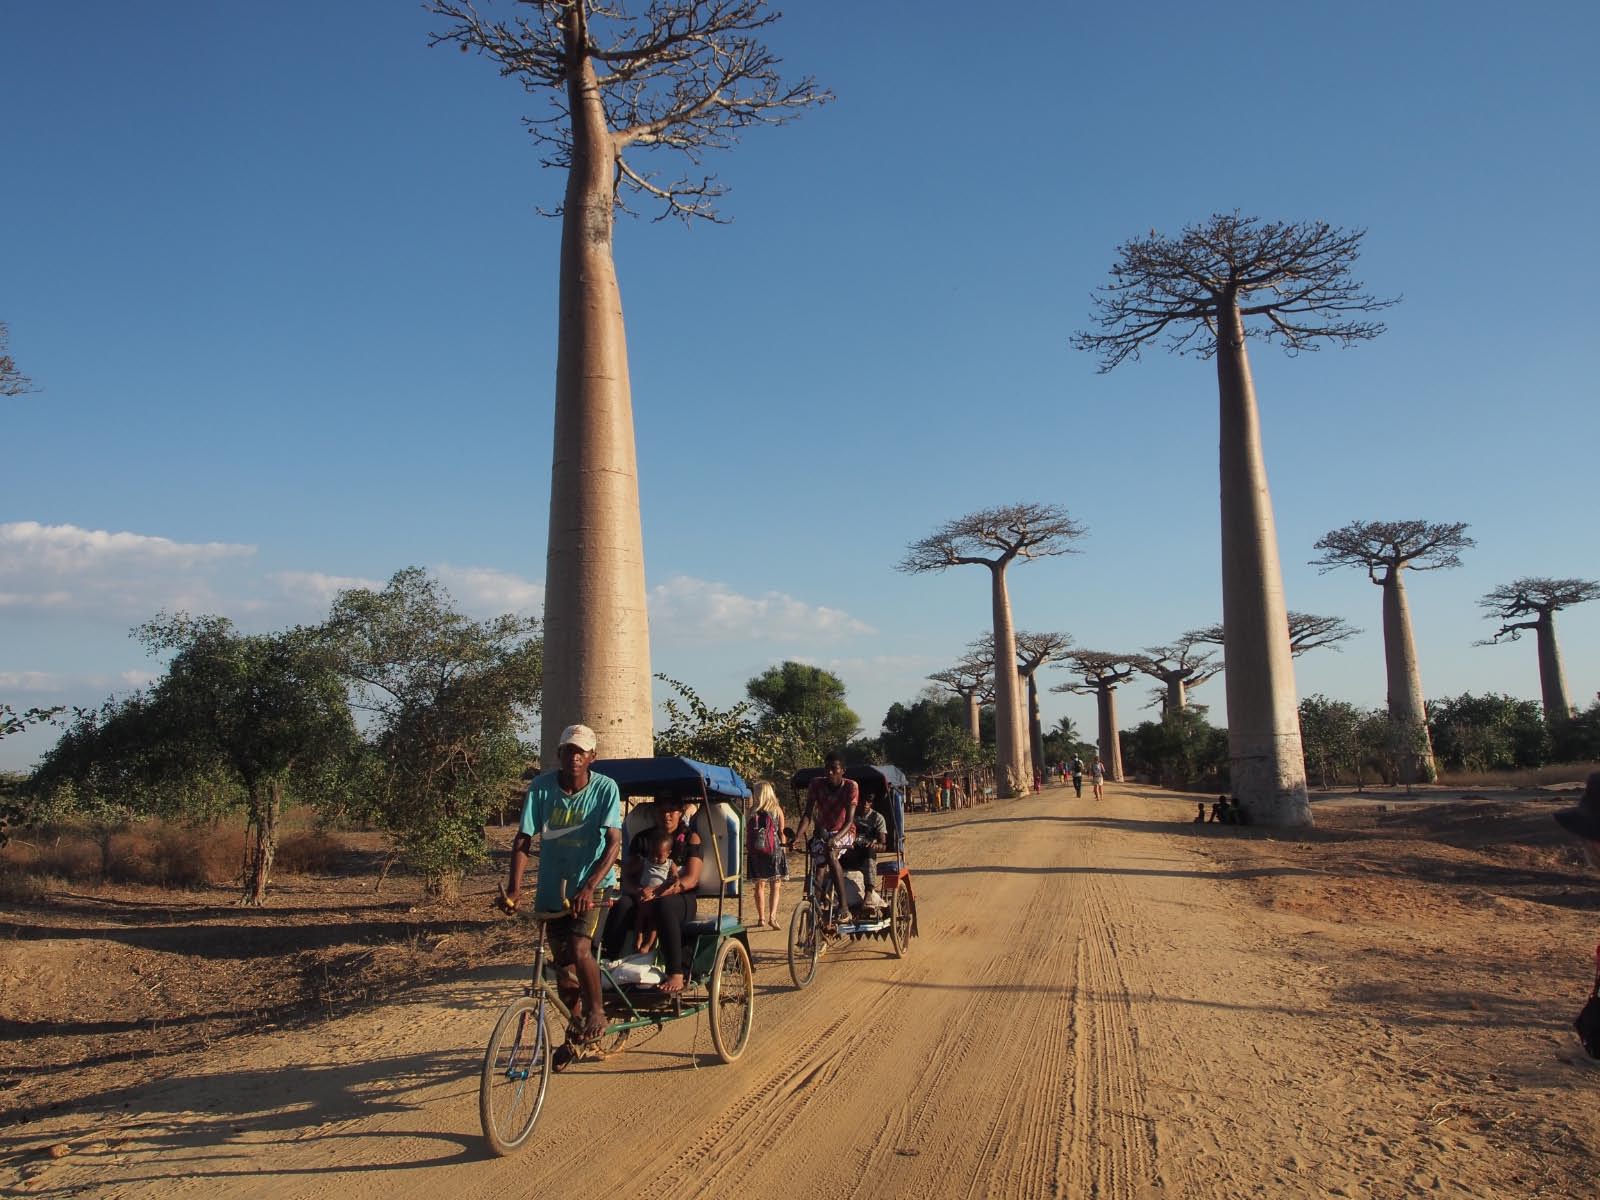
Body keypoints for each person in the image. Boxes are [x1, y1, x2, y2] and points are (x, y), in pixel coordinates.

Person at [499, 723, 621, 1052]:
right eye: (568, 750)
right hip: (552, 891)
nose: (574, 757)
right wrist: (514, 889)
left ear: (592, 757)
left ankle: (597, 1012)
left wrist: (590, 886)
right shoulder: (540, 789)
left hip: (592, 889)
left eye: (580, 751)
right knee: (563, 968)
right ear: (559, 754)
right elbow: (523, 839)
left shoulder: (606, 789)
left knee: (580, 950)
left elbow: (613, 843)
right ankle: (576, 1025)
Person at [604, 794, 704, 995]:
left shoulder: (690, 838)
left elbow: (691, 878)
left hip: (680, 898)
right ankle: (608, 962)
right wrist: (637, 890)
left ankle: (676, 972)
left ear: (681, 812)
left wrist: (660, 892)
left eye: (672, 810)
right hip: (643, 895)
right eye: (662, 810)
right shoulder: (642, 839)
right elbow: (627, 877)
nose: (666, 815)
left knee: (663, 905)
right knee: (622, 904)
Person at [800, 752, 857, 923]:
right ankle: (814, 915)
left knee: (831, 854)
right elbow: (807, 815)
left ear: (842, 771)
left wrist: (836, 838)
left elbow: (849, 821)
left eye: (834, 769)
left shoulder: (850, 786)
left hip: (845, 832)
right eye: (827, 769)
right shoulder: (816, 784)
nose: (830, 772)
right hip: (823, 833)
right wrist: (796, 836)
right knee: (818, 868)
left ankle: (844, 907)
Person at [746, 780, 787, 931]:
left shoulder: (751, 811)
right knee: (775, 884)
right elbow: (782, 832)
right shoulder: (776, 810)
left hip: (756, 851)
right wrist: (783, 849)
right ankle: (772, 917)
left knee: (759, 885)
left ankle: (761, 917)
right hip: (774, 849)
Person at [840, 786, 889, 912]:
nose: (866, 804)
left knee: (869, 851)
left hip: (865, 856)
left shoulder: (877, 818)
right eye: (863, 800)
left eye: (869, 801)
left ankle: (868, 894)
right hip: (849, 852)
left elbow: (883, 844)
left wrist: (875, 845)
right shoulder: (850, 815)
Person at [630, 831, 676, 953]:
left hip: (657, 896)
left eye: (659, 855)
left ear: (668, 854)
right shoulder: (645, 861)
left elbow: (675, 877)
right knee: (639, 917)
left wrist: (672, 880)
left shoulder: (670, 864)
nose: (655, 858)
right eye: (652, 854)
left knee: (653, 923)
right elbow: (632, 872)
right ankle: (638, 937)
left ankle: (649, 944)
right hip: (644, 896)